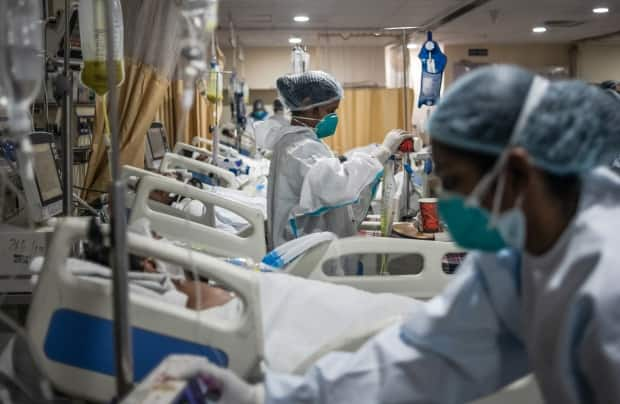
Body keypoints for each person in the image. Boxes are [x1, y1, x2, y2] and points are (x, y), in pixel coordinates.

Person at [166, 65, 620, 404]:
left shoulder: (607, 283)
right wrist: (268, 398)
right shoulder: (512, 263)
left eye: (457, 184)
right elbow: (421, 360)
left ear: (518, 171)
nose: (448, 206)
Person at [266, 70, 411, 249]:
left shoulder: (300, 142)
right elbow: (337, 185)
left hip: (308, 248)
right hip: (304, 255)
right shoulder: (298, 148)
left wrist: (376, 163)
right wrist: (382, 152)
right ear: (308, 105)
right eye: (330, 110)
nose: (333, 118)